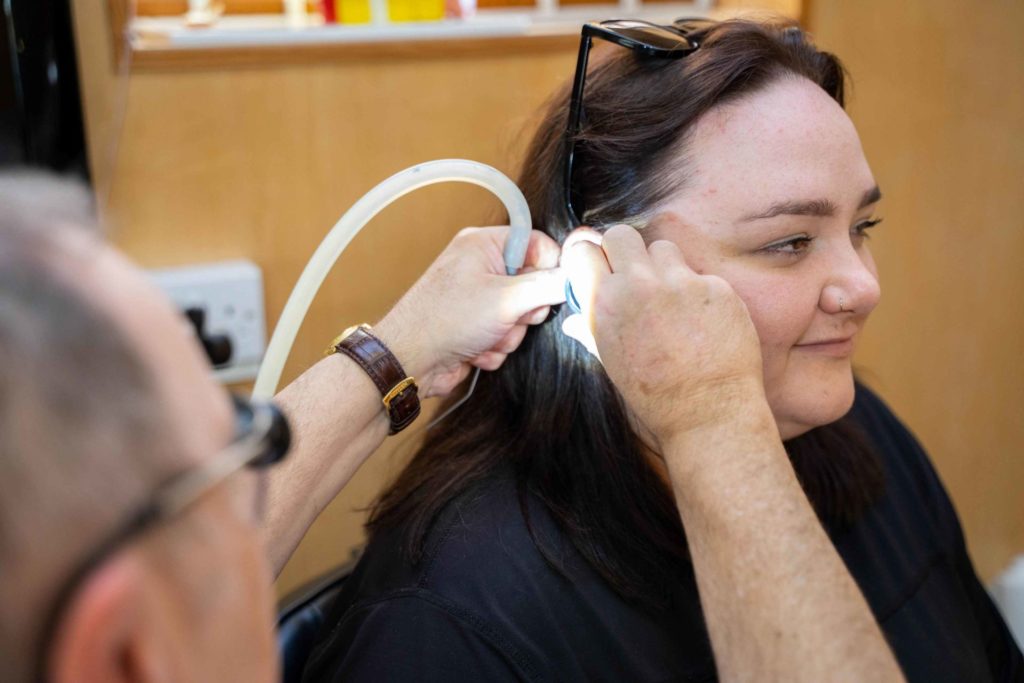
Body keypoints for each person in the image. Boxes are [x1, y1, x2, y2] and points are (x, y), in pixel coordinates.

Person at [301, 17, 1024, 683]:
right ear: (599, 279)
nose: (864, 286)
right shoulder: (457, 617)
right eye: (791, 241)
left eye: (862, 227)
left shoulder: (863, 439)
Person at [0, 173, 566, 682]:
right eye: (236, 443)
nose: (264, 476)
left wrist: (407, 349)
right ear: (125, 654)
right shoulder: (451, 619)